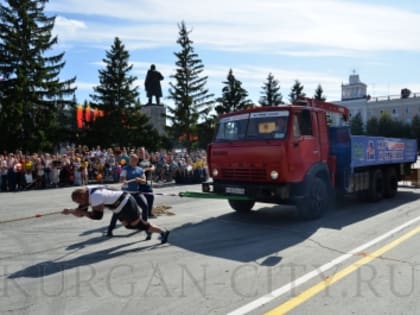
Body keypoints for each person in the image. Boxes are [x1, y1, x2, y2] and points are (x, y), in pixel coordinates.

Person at [62, 186, 170, 244]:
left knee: (138, 224)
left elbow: (97, 216)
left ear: (82, 197)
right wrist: (71, 211)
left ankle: (163, 231)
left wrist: (80, 212)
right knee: (128, 226)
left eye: (79, 202)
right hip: (118, 207)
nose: (79, 204)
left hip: (126, 203)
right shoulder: (87, 192)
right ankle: (150, 228)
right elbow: (81, 212)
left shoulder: (95, 197)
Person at [107, 153, 152, 237]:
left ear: (136, 161)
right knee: (117, 211)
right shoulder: (125, 169)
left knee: (145, 206)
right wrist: (124, 181)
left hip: (135, 193)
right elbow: (121, 180)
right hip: (125, 194)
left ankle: (144, 226)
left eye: (133, 160)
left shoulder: (140, 170)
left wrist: (140, 180)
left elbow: (144, 181)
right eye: (130, 160)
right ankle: (110, 229)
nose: (131, 161)